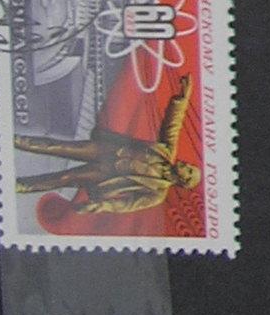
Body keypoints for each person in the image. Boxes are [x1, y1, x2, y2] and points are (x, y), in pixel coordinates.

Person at [14, 74, 199, 215]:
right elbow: (173, 124)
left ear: (184, 181)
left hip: (106, 174)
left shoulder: (157, 194)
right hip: (106, 150)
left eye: (189, 170)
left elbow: (127, 205)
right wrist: (182, 98)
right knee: (59, 147)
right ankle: (18, 141)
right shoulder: (166, 152)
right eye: (190, 166)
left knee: (66, 178)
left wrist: (101, 206)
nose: (186, 165)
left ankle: (23, 186)